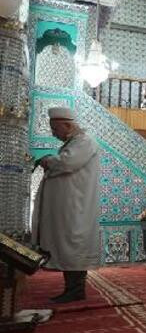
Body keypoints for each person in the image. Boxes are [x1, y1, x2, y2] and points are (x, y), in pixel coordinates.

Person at [32, 107, 101, 303]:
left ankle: (76, 290)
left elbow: (67, 163)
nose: (53, 134)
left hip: (76, 207)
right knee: (67, 244)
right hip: (69, 207)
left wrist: (47, 160)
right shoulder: (75, 142)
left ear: (68, 125)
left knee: (73, 245)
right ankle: (72, 289)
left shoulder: (85, 141)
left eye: (55, 129)